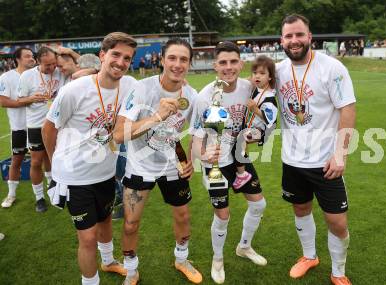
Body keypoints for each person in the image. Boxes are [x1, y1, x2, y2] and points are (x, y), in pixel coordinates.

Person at [42, 32, 139, 285]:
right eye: (115, 54)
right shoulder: (74, 90)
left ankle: (108, 262)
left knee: (106, 221)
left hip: (105, 173)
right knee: (87, 237)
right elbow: (48, 129)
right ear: (102, 55)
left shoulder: (129, 85)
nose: (120, 62)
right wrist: (55, 164)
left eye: (127, 58)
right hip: (74, 177)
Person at [113, 38, 202, 285]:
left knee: (183, 217)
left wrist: (190, 160)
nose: (177, 64)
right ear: (162, 60)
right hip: (140, 167)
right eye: (172, 58)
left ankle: (181, 259)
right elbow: (119, 134)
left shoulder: (192, 97)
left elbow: (192, 134)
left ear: (189, 64)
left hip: (171, 167)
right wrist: (157, 116)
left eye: (183, 59)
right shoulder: (142, 89)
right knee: (131, 223)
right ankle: (131, 271)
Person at [276, 14, 356, 285]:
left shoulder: (332, 68)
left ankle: (338, 271)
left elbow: (347, 108)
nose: (294, 40)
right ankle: (309, 256)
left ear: (310, 37)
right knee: (301, 209)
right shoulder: (278, 71)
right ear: (282, 41)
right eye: (289, 36)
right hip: (292, 160)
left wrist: (340, 154)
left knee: (337, 222)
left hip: (325, 162)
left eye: (299, 35)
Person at [190, 41, 267, 284]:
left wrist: (254, 135)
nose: (228, 67)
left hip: (239, 158)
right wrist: (203, 156)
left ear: (241, 64)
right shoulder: (206, 96)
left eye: (233, 62)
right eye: (223, 62)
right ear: (215, 66)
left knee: (259, 205)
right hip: (214, 165)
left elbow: (260, 123)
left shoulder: (249, 88)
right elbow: (195, 138)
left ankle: (244, 246)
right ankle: (218, 258)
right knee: (222, 215)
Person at [17, 46, 65, 212]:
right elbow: (20, 100)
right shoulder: (27, 76)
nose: (51, 68)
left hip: (56, 125)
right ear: (37, 62)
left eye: (53, 64)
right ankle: (39, 198)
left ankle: (55, 189)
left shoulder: (61, 71)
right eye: (47, 65)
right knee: (36, 161)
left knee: (54, 159)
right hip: (36, 126)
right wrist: (31, 98)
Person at [0, 47, 45, 208]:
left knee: (42, 160)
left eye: (32, 56)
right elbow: (3, 101)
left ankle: (46, 195)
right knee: (16, 161)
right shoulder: (6, 77)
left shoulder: (38, 74)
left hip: (39, 126)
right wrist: (27, 100)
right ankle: (11, 194)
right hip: (19, 127)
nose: (31, 58)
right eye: (27, 56)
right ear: (17, 59)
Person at [232, 55, 278, 190]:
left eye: (262, 73)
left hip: (261, 131)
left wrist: (255, 109)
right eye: (255, 73)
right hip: (250, 125)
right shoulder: (256, 88)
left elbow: (270, 120)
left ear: (270, 77)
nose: (257, 76)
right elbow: (246, 81)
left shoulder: (269, 98)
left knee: (240, 139)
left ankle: (242, 174)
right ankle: (240, 163)